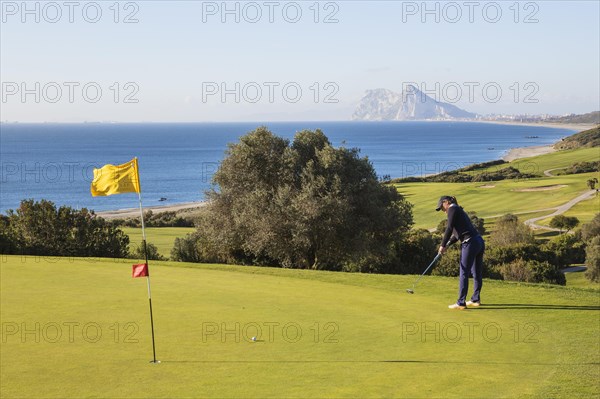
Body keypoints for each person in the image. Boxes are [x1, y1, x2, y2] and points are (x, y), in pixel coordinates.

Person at [436, 195, 485, 310]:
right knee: (476, 272)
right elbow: (457, 235)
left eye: (442, 207)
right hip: (478, 241)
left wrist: (442, 245)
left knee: (464, 272)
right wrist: (447, 244)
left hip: (470, 243)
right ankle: (475, 299)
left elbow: (449, 228)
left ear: (446, 202)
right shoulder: (459, 210)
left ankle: (461, 302)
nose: (443, 210)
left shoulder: (452, 208)